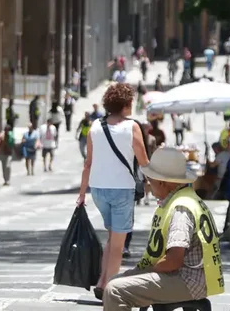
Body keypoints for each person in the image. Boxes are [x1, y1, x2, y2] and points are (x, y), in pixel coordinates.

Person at [102, 148, 225, 310]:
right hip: (192, 276)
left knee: (115, 290)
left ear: (162, 182)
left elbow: (173, 261)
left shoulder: (180, 209)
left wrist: (146, 272)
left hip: (188, 280)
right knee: (116, 281)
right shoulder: (186, 198)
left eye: (150, 181)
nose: (148, 185)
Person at [77, 83, 150, 300]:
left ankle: (102, 281)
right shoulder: (132, 127)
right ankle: (110, 289)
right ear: (126, 104)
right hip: (121, 190)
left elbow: (87, 164)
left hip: (98, 189)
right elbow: (144, 162)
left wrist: (82, 193)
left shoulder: (95, 127)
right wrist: (157, 186)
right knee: (118, 244)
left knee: (111, 237)